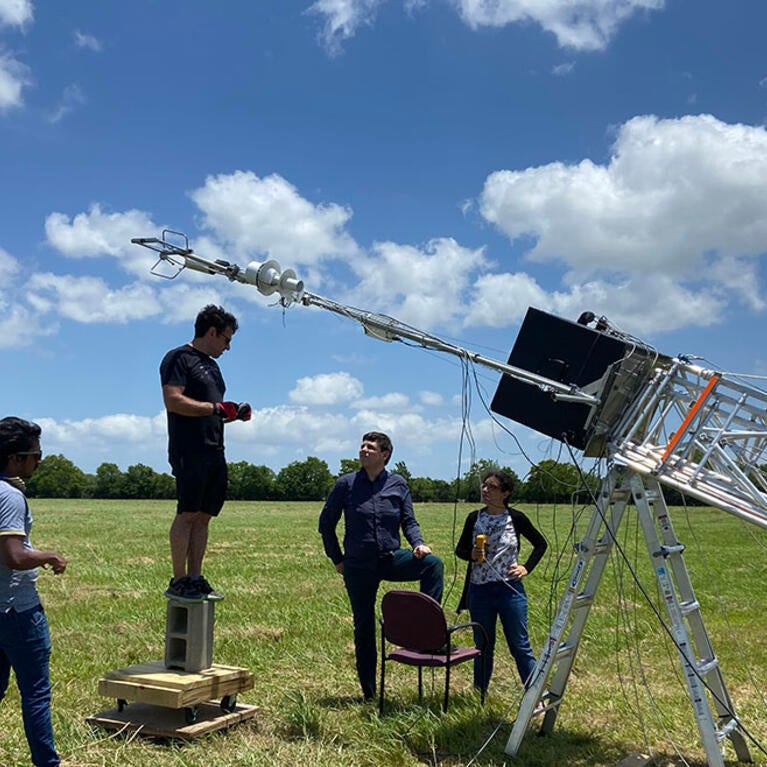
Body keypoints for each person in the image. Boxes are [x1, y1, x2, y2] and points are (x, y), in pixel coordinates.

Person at [319, 431, 444, 701]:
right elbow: (326, 523)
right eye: (362, 445)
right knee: (364, 626)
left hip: (390, 558)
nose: (363, 450)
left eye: (370, 447)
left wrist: (418, 544)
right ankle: (369, 693)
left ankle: (427, 629)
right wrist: (338, 559)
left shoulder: (398, 484)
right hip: (358, 565)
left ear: (385, 454)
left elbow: (408, 520)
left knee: (432, 565)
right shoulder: (346, 484)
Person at [160, 304, 251, 602]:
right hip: (189, 449)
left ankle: (195, 577)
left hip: (215, 448)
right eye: (226, 339)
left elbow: (212, 411)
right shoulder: (179, 358)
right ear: (211, 331)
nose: (228, 346)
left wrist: (232, 414)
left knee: (204, 516)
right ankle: (179, 579)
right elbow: (174, 401)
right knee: (187, 513)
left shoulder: (213, 365)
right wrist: (214, 408)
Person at [0, 417, 67, 767]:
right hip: (18, 612)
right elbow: (13, 556)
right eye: (35, 457)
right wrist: (49, 555)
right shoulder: (10, 496)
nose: (38, 462)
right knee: (36, 696)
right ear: (15, 459)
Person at [455, 469, 547, 693]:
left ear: (506, 493)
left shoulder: (515, 518)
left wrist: (526, 568)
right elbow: (460, 549)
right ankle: (479, 695)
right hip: (480, 591)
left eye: (492, 487)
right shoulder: (474, 518)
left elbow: (540, 544)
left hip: (509, 590)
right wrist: (472, 555)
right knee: (483, 647)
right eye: (484, 486)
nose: (485, 490)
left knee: (520, 646)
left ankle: (534, 696)